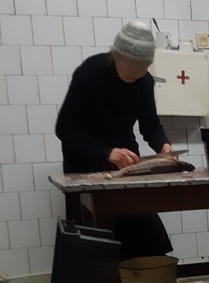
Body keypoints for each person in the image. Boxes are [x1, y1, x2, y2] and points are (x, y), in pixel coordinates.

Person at [55, 20, 174, 260]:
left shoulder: (143, 81)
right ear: (116, 55)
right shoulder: (90, 73)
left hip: (125, 164)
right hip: (85, 162)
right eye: (130, 69)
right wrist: (106, 153)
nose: (135, 75)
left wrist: (163, 145)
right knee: (96, 245)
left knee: (144, 235)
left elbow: (150, 125)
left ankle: (144, 278)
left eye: (141, 70)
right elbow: (65, 128)